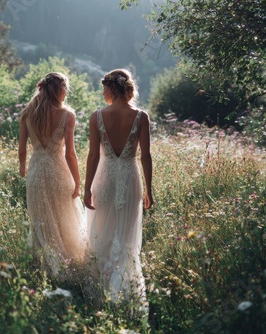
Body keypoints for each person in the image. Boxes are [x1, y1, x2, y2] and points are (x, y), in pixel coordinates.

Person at [84, 69, 153, 306]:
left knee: (101, 233)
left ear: (112, 88)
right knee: (126, 237)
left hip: (103, 178)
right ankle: (124, 289)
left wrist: (86, 188)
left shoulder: (97, 116)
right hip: (130, 177)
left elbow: (93, 156)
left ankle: (102, 292)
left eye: (104, 87)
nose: (103, 92)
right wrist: (149, 190)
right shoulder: (141, 116)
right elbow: (146, 156)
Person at [18, 72, 87, 277]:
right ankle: (69, 264)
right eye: (65, 89)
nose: (66, 93)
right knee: (64, 217)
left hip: (36, 172)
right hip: (59, 171)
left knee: (41, 219)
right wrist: (78, 182)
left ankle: (44, 267)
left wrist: (23, 169)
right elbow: (71, 154)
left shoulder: (27, 113)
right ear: (59, 90)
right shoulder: (67, 115)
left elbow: (22, 149)